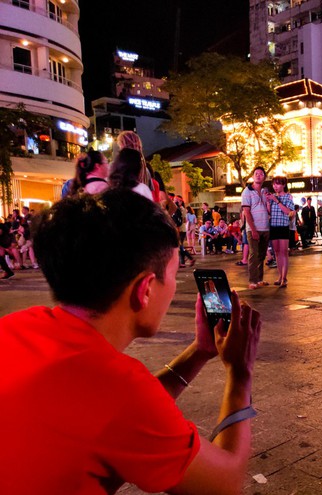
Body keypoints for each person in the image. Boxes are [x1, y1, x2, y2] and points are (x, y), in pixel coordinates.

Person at [0, 189, 261, 494]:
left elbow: (115, 416)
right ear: (145, 289)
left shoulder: (15, 327)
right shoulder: (117, 388)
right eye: (174, 274)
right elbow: (224, 484)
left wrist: (199, 352)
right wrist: (240, 374)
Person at [241, 167, 270, 289]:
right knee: (253, 253)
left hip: (265, 228)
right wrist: (253, 229)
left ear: (264, 177)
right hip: (253, 228)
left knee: (262, 254)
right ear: (253, 176)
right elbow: (246, 212)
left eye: (261, 174)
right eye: (256, 174)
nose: (258, 176)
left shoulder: (264, 192)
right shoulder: (247, 191)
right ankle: (252, 281)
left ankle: (260, 279)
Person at [266, 176, 295, 287]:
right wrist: (268, 202)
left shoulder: (288, 197)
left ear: (283, 185)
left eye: (278, 184)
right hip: (273, 226)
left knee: (284, 253)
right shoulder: (273, 197)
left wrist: (276, 200)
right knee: (277, 253)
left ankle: (284, 278)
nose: (275, 186)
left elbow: (288, 211)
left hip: (283, 226)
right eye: (274, 184)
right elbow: (269, 213)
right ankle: (279, 276)